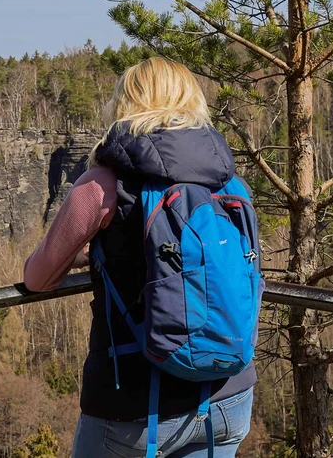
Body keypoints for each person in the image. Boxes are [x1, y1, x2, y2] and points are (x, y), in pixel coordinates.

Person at [23, 57, 256, 457]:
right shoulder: (230, 183)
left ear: (126, 103)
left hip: (134, 408)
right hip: (228, 397)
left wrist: (89, 254)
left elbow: (37, 277)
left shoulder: (104, 185)